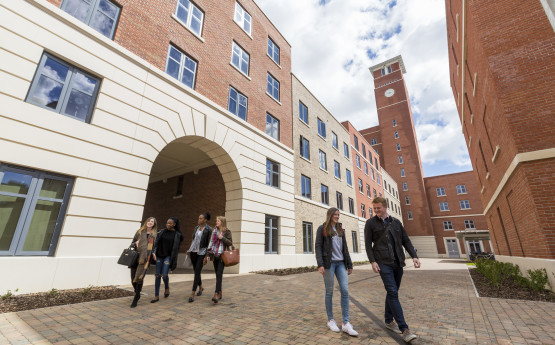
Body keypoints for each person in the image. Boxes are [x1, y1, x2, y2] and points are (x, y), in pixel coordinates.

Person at [364, 197, 420, 343]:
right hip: (383, 263)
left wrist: (414, 256)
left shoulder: (396, 222)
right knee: (393, 293)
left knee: (392, 292)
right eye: (374, 208)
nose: (376, 211)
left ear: (385, 207)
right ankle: (405, 329)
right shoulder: (370, 223)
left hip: (398, 262)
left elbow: (405, 240)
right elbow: (368, 245)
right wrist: (372, 261)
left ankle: (389, 320)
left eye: (378, 208)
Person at [315, 207, 358, 337]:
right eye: (335, 214)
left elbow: (345, 247)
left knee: (345, 290)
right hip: (329, 264)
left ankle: (346, 323)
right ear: (330, 215)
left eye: (338, 214)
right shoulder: (322, 228)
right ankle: (331, 320)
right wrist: (320, 264)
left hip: (340, 264)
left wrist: (349, 264)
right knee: (329, 292)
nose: (337, 216)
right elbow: (317, 246)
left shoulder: (340, 229)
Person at [151, 217, 184, 303]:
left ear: (174, 224)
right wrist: (154, 252)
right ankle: (156, 295)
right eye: (167, 223)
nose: (168, 225)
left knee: (164, 274)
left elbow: (176, 249)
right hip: (159, 255)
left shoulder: (177, 235)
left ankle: (167, 287)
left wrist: (174, 260)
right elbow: (156, 243)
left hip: (168, 256)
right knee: (157, 275)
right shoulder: (161, 232)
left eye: (170, 223)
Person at [129, 217, 157, 308]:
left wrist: (154, 253)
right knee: (133, 278)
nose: (150, 222)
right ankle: (137, 292)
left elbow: (155, 247)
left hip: (146, 259)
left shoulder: (155, 234)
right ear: (146, 222)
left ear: (154, 224)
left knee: (139, 278)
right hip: (136, 257)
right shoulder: (139, 232)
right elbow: (131, 244)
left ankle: (136, 297)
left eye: (152, 222)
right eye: (149, 221)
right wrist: (135, 243)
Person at [204, 216, 232, 303]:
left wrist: (222, 238)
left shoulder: (227, 231)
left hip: (222, 256)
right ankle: (220, 292)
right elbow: (211, 243)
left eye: (218, 221)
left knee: (219, 274)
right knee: (217, 274)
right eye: (216, 221)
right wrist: (208, 254)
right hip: (214, 255)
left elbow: (230, 242)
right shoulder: (214, 231)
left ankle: (216, 293)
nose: (216, 222)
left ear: (222, 222)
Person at [187, 212, 213, 302]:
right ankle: (201, 287)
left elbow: (209, 243)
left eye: (201, 218)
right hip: (193, 252)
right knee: (196, 271)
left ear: (205, 220)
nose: (199, 220)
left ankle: (192, 293)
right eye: (199, 218)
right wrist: (189, 249)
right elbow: (193, 240)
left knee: (197, 270)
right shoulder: (196, 228)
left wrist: (207, 255)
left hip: (202, 252)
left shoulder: (209, 229)